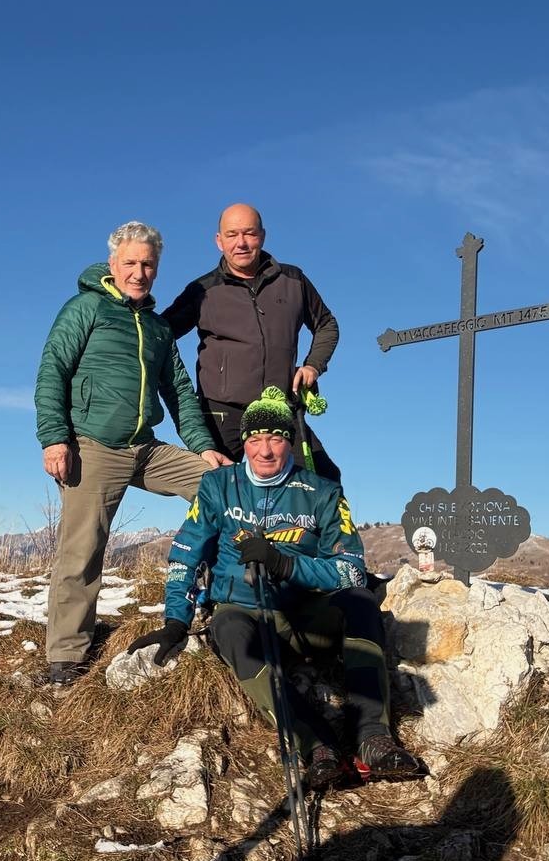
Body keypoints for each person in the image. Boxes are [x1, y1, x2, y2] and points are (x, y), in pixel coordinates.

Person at [128, 388, 421, 790]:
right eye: (255, 439)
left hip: (306, 614)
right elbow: (185, 554)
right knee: (227, 628)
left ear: (290, 442)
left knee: (360, 604)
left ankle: (372, 736)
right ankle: (316, 745)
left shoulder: (322, 492)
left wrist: (285, 565)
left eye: (276, 438)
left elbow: (351, 571)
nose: (265, 450)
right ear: (245, 442)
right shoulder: (217, 486)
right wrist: (175, 620)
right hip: (244, 611)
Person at [35, 221, 231, 686]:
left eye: (147, 264)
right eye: (131, 263)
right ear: (113, 265)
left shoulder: (159, 328)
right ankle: (65, 655)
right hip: (93, 446)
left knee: (220, 485)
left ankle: (217, 596)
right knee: (81, 552)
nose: (139, 272)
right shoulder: (86, 308)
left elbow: (180, 392)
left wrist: (203, 449)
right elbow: (52, 370)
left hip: (146, 448)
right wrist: (54, 437)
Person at [163, 203, 342, 481]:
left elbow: (326, 325)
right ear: (219, 241)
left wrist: (313, 366)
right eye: (232, 234)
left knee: (322, 480)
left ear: (263, 236)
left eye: (249, 233)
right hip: (221, 413)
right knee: (221, 490)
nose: (241, 243)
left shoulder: (293, 280)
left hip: (280, 406)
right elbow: (159, 334)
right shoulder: (203, 290)